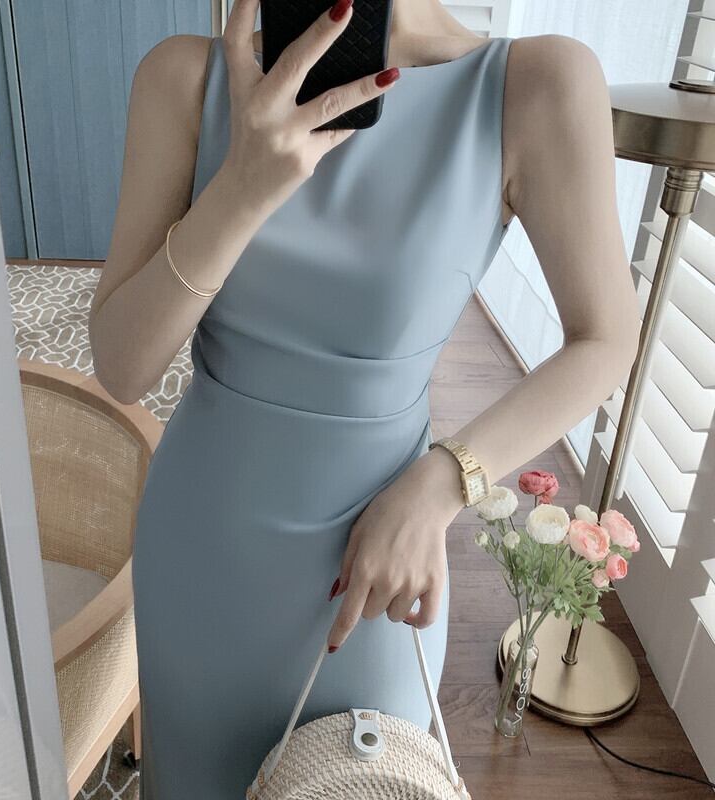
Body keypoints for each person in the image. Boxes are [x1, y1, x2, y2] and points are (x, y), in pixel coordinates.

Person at [88, 0, 641, 796]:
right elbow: (122, 367)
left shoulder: (536, 85)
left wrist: (442, 484)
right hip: (203, 555)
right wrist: (242, 186)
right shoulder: (182, 79)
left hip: (379, 574)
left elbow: (605, 339)